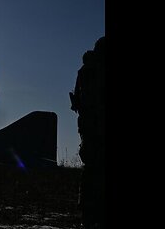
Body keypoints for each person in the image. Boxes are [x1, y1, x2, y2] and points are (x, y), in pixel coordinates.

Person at [70, 36, 105, 229]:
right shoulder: (95, 71)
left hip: (89, 129)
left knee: (91, 171)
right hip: (95, 129)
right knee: (94, 171)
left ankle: (88, 215)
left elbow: (79, 102)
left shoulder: (85, 71)